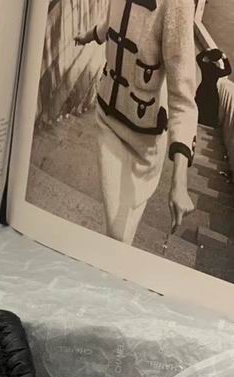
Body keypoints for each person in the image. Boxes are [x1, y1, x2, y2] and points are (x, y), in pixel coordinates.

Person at [74, 0, 197, 245]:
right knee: (116, 229)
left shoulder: (177, 4)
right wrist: (91, 35)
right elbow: (113, 22)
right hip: (108, 122)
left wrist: (179, 182)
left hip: (144, 143)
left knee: (122, 230)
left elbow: (183, 99)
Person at [196, 48, 232, 129]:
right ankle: (209, 123)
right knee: (211, 107)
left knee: (201, 104)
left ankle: (199, 119)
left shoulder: (205, 66)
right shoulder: (216, 70)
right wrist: (225, 58)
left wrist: (205, 51)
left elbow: (198, 58)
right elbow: (228, 70)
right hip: (212, 91)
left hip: (202, 89)